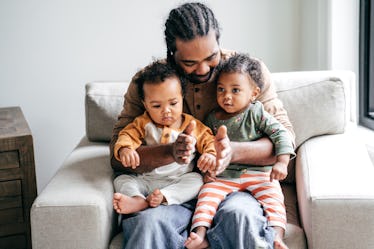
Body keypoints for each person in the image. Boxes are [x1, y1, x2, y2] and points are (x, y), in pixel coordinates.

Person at [110, 2, 295, 249]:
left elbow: (285, 137)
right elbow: (116, 155)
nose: (204, 69)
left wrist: (231, 152)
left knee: (240, 218)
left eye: (211, 57)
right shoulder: (150, 83)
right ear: (171, 54)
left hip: (232, 185)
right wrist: (170, 152)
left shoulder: (246, 74)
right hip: (168, 189)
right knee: (148, 225)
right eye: (189, 63)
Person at [184, 53, 295, 249]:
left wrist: (282, 162)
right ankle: (200, 235)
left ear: (253, 93)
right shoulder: (212, 118)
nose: (226, 96)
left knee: (274, 200)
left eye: (235, 90)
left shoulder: (257, 113)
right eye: (221, 90)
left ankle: (277, 237)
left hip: (259, 175)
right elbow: (206, 146)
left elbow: (281, 134)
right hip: (225, 176)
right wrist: (207, 168)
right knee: (206, 197)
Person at [112, 60, 216, 214]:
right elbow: (127, 135)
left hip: (179, 179)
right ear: (145, 104)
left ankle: (165, 197)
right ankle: (138, 200)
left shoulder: (192, 124)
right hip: (146, 179)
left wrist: (210, 154)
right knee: (121, 180)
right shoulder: (143, 123)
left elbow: (209, 140)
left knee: (196, 180)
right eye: (156, 106)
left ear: (182, 98)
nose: (166, 111)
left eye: (173, 103)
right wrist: (125, 149)